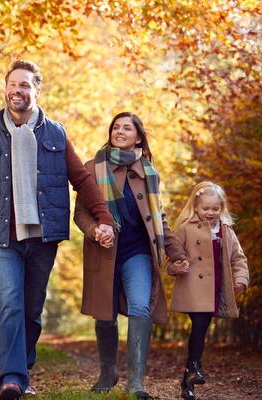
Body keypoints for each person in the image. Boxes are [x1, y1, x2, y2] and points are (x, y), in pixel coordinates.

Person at [0, 60, 115, 400]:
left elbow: (82, 180)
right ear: (5, 88)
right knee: (10, 302)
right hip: (2, 237)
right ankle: (11, 380)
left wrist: (104, 218)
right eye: (13, 84)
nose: (18, 90)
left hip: (43, 237)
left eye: (25, 85)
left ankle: (23, 370)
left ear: (36, 91)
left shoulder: (56, 132)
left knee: (31, 309)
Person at [74, 112, 189, 399]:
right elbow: (80, 214)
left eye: (127, 128)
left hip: (137, 251)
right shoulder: (92, 168)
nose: (120, 131)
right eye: (116, 127)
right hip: (103, 252)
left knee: (140, 306)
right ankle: (108, 371)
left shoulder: (149, 172)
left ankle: (135, 382)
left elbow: (158, 218)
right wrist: (94, 230)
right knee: (105, 315)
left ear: (138, 137)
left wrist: (176, 253)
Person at [168, 181, 249, 400]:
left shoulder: (226, 231)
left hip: (214, 288)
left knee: (201, 328)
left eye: (215, 209)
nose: (210, 213)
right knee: (200, 324)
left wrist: (241, 279)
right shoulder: (185, 228)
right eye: (206, 208)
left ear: (221, 209)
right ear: (196, 207)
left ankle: (187, 379)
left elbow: (238, 258)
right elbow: (171, 255)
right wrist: (176, 266)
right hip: (193, 288)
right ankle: (195, 367)